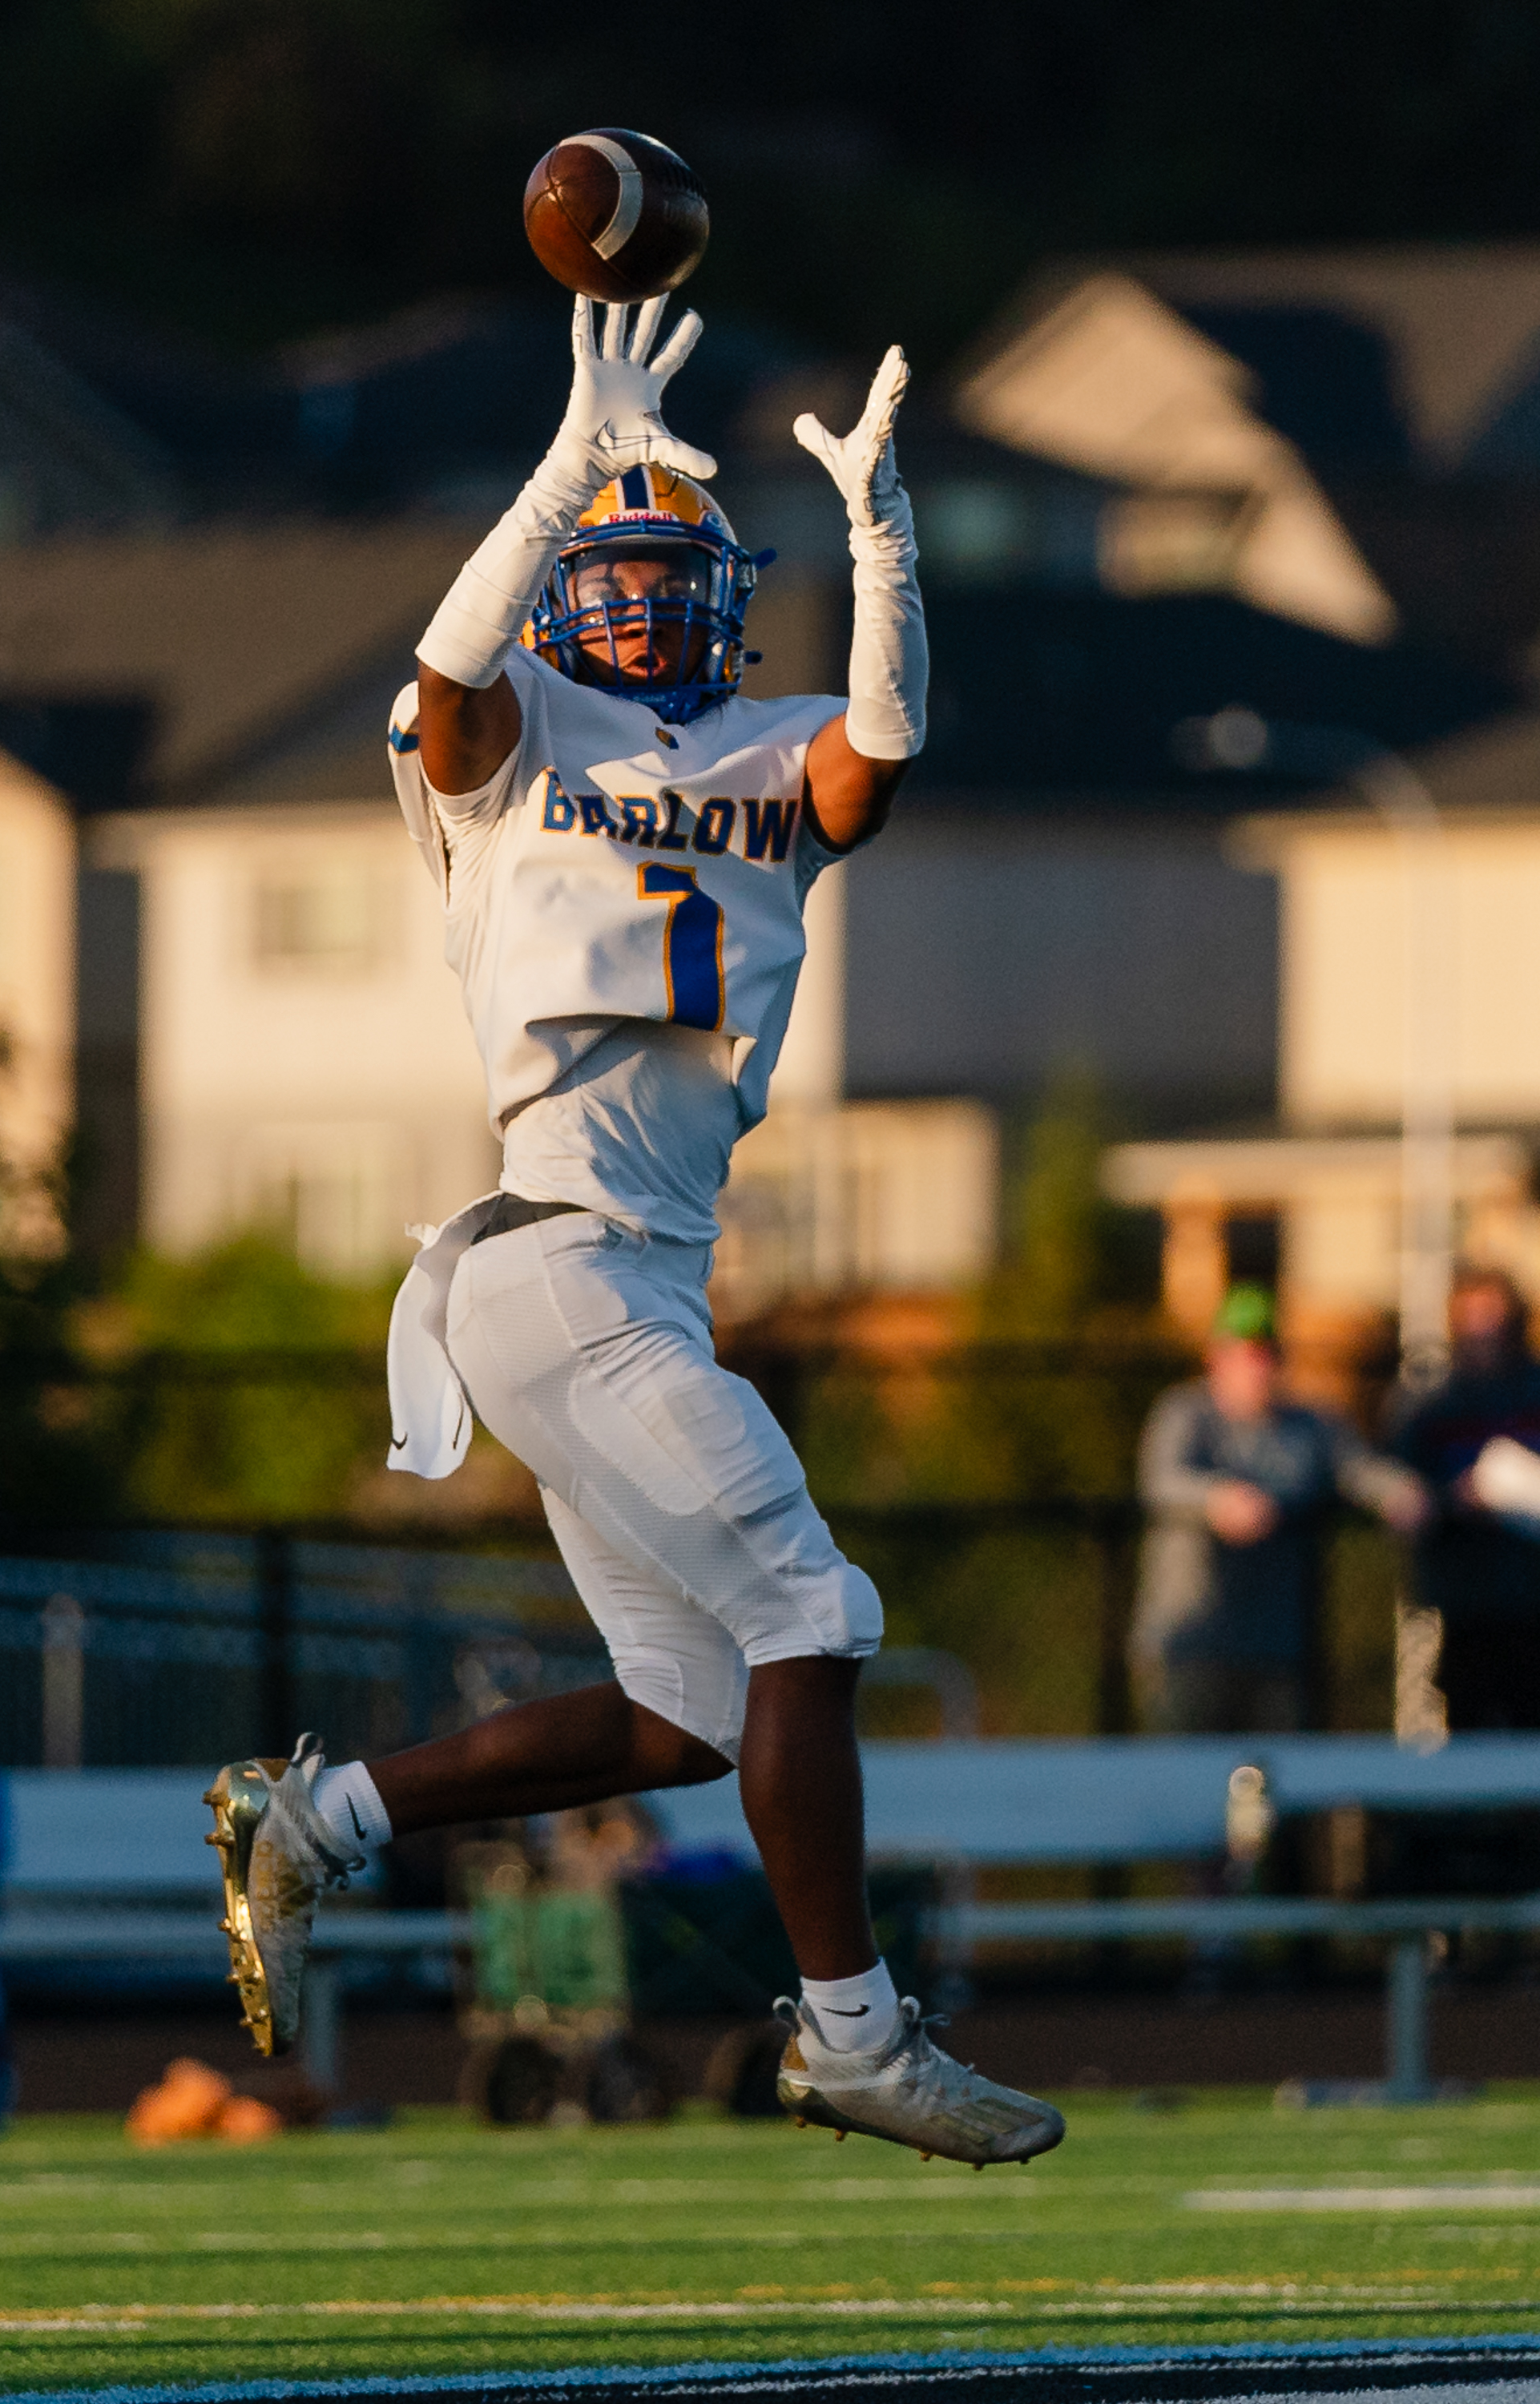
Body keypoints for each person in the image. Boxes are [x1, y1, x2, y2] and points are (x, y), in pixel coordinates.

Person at [204, 296, 1063, 2169]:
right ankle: (853, 2035)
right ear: (565, 581)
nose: (650, 596)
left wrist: (882, 542)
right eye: (619, 561)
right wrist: (560, 459)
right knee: (813, 1613)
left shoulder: (767, 747)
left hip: (636, 1277)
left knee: (686, 1707)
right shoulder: (503, 745)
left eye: (682, 569)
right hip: (553, 1252)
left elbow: (876, 757)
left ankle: (318, 1816)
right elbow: (443, 673)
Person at [1131, 1285, 1427, 1732]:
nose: (1257, 1367)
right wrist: (1218, 1500)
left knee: (1279, 1779)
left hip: (1279, 1649)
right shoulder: (1184, 1415)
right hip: (1191, 1647)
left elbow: (1361, 1470)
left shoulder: (1310, 1426)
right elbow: (1161, 1482)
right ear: (1216, 1358)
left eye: (1266, 1353)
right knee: (1188, 1784)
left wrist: (1404, 1494)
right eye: (1243, 1353)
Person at [1389, 1265, 1540, 1729]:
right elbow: (1401, 1488)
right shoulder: (1430, 1404)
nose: (1483, 1329)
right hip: (1463, 1605)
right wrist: (1454, 1499)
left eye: (1493, 1315)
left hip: (1531, 1599)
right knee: (1469, 1736)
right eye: (1472, 1316)